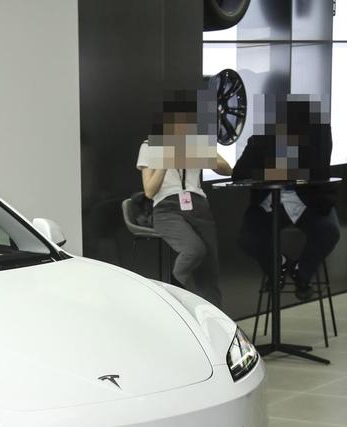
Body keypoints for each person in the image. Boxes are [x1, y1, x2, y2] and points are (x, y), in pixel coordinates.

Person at [233, 95, 340, 301]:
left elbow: (318, 170)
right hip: (270, 203)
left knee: (329, 231)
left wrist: (282, 169)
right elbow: (239, 173)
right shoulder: (262, 138)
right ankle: (279, 266)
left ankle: (302, 273)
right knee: (248, 238)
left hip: (310, 202)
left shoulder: (316, 136)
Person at [136, 94, 233, 307]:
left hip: (198, 206)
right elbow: (149, 191)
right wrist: (165, 161)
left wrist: (200, 154)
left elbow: (227, 169)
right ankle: (172, 294)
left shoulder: (195, 144)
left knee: (209, 270)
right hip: (166, 209)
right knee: (194, 249)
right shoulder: (150, 146)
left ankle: (214, 318)